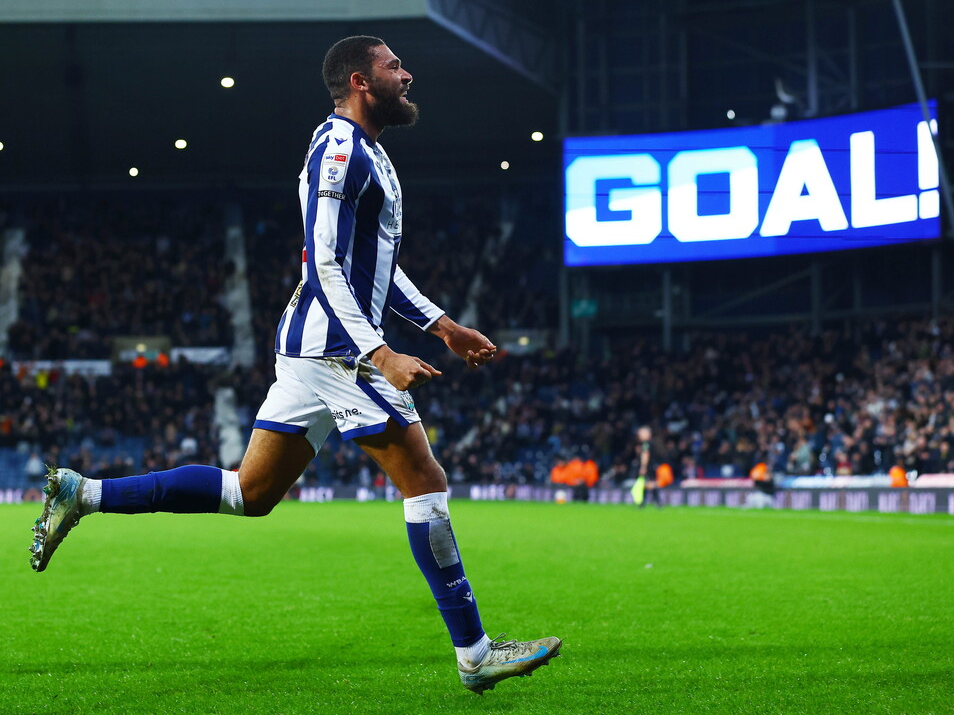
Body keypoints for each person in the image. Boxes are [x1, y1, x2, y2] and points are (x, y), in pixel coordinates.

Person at [29, 35, 560, 695]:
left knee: (249, 494)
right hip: (338, 350)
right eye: (395, 66)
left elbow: (378, 270)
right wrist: (380, 351)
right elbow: (326, 261)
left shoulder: (371, 153)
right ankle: (476, 653)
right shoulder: (340, 149)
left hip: (316, 346)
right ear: (362, 81)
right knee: (426, 480)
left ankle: (84, 493)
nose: (408, 73)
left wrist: (442, 326)